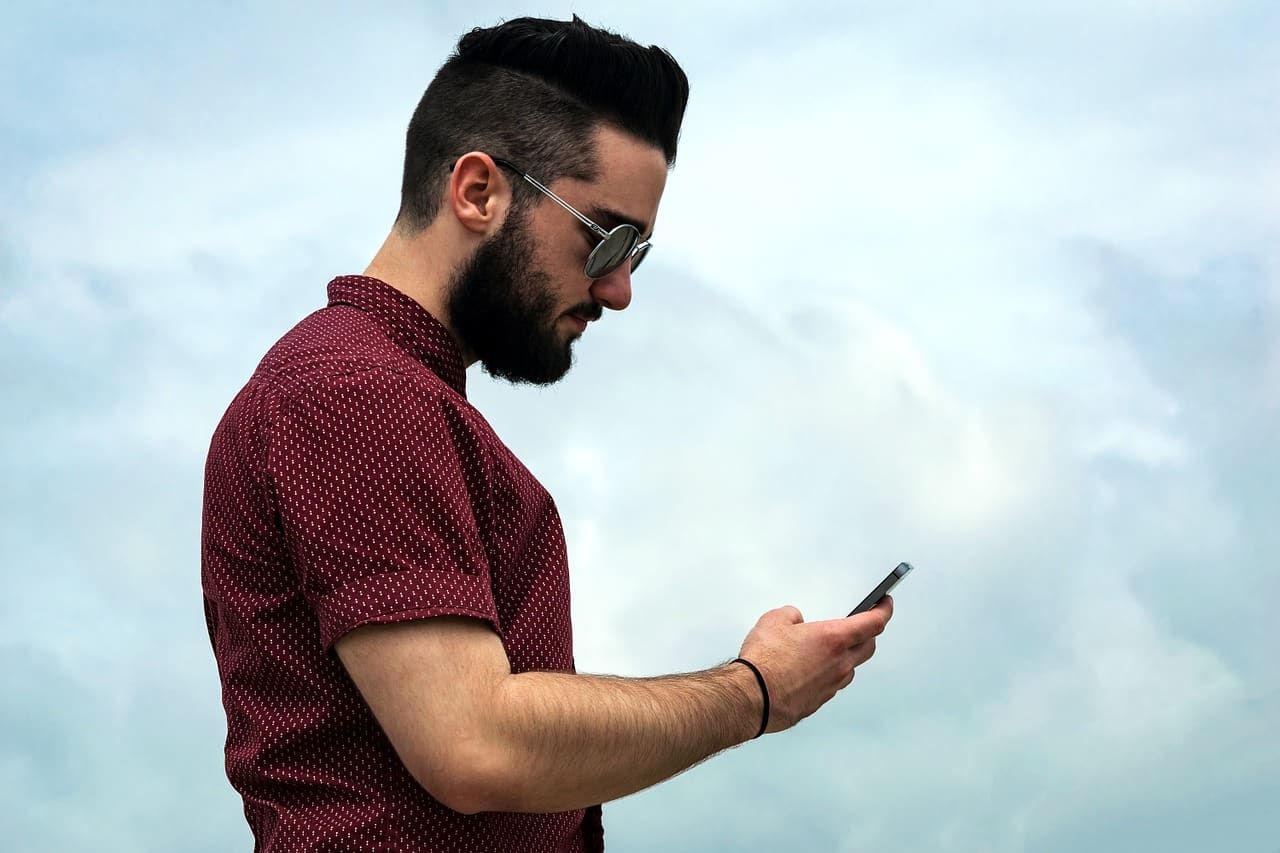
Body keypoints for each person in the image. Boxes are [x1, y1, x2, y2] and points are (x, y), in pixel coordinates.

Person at [201, 15, 893, 852]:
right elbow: (473, 742)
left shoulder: (386, 393)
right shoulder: (354, 392)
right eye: (605, 237)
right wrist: (753, 691)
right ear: (478, 191)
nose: (618, 291)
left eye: (639, 252)